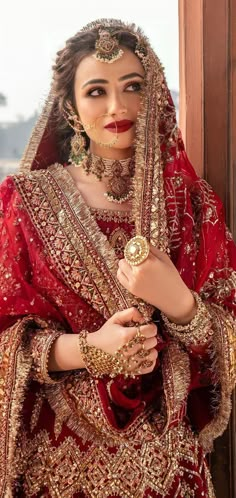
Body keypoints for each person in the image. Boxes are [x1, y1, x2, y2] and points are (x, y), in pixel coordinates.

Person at [0, 18, 235, 498]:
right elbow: (5, 338)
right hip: (61, 469)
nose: (117, 106)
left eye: (133, 86)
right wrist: (89, 349)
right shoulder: (25, 202)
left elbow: (227, 336)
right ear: (69, 108)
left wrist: (182, 306)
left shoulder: (192, 205)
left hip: (169, 469)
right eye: (96, 91)